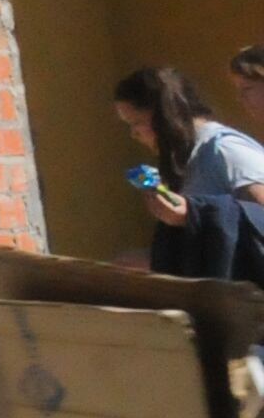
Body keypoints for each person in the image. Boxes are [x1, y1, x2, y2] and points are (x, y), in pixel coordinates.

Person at [113, 64, 264, 285]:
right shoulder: (190, 155)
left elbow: (259, 219)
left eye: (137, 123)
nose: (134, 134)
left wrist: (193, 214)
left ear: (164, 115)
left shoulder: (224, 149)